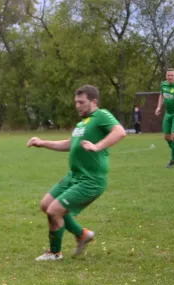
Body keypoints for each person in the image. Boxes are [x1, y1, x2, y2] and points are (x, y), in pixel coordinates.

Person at [27, 84, 126, 261]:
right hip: (75, 176)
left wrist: (97, 146)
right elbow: (68, 144)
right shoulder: (82, 123)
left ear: (93, 101)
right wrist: (42, 143)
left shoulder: (101, 115)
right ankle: (82, 235)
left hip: (91, 180)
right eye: (76, 102)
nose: (77, 106)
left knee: (54, 211)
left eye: (81, 102)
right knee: (45, 205)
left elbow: (120, 132)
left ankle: (55, 253)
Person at [155, 68, 174, 168]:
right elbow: (161, 95)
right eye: (168, 75)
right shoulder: (163, 84)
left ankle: (172, 161)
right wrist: (159, 107)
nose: (170, 77)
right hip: (168, 113)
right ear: (166, 76)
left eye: (172, 75)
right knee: (167, 137)